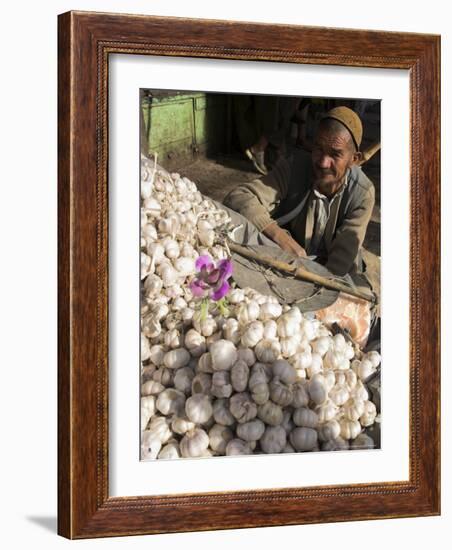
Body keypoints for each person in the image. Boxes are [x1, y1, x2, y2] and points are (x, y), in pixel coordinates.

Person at [223, 106, 375, 277]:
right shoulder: (294, 167)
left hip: (332, 273)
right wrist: (280, 236)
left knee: (357, 292)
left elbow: (340, 261)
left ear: (353, 159)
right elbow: (239, 197)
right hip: (291, 258)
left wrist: (317, 285)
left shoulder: (362, 193)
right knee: (237, 228)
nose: (323, 162)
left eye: (335, 154)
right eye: (318, 149)